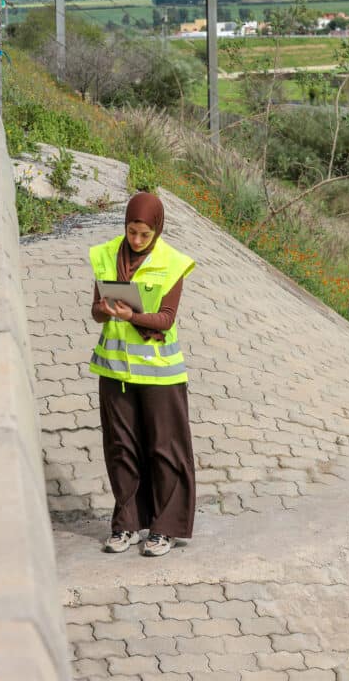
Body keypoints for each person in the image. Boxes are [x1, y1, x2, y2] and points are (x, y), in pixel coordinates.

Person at [89, 192, 196, 557]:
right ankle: (127, 524)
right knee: (121, 449)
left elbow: (166, 318)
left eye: (143, 235)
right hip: (115, 370)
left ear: (157, 230)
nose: (135, 241)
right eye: (131, 232)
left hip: (160, 374)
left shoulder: (172, 263)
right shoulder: (105, 255)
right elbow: (95, 312)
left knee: (164, 451)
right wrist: (105, 310)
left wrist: (131, 316)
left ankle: (165, 528)